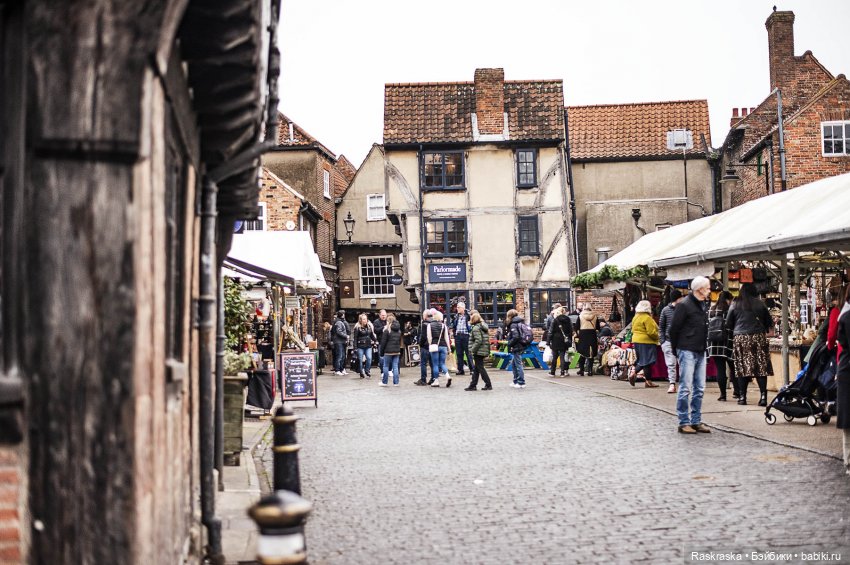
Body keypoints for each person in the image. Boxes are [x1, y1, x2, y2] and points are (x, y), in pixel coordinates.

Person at [669, 277, 711, 434]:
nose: (709, 290)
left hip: (700, 349)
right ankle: (684, 421)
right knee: (686, 387)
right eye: (707, 288)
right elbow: (674, 329)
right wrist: (676, 349)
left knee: (700, 387)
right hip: (686, 349)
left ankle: (696, 420)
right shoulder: (685, 305)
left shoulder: (702, 305)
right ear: (699, 289)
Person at [726, 282, 773, 407]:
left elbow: (728, 323)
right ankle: (763, 397)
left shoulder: (735, 304)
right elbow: (769, 322)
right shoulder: (760, 303)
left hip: (741, 338)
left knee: (742, 368)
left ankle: (742, 397)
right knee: (760, 368)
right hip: (758, 337)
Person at [708, 291, 737, 401]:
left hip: (714, 343)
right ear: (728, 299)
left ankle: (723, 395)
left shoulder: (711, 309)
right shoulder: (729, 309)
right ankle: (737, 392)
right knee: (733, 367)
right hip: (728, 341)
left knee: (720, 369)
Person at [834, 285, 850, 476]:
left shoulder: (844, 316)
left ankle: (848, 460)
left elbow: (840, 341)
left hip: (846, 368)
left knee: (847, 420)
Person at [630, 300, 659, 388]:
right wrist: (657, 337)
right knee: (647, 361)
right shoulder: (647, 318)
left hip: (636, 340)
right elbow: (651, 332)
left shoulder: (636, 317)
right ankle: (634, 373)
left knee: (643, 360)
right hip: (646, 342)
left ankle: (648, 381)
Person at [659, 289, 683, 394]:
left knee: (682, 364)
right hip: (669, 341)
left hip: (682, 342)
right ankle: (672, 384)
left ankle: (682, 385)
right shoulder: (665, 310)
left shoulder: (684, 309)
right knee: (671, 364)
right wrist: (663, 341)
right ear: (678, 298)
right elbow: (661, 327)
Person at [465, 310, 493, 391]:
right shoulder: (481, 326)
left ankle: (488, 384)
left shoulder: (475, 328)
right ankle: (473, 385)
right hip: (482, 350)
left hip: (478, 351)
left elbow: (478, 340)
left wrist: (472, 349)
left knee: (480, 368)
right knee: (476, 369)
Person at [427, 310, 451, 387]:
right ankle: (447, 376)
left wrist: (431, 344)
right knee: (442, 363)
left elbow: (429, 337)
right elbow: (447, 338)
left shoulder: (430, 325)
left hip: (434, 346)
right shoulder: (444, 326)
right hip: (443, 346)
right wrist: (449, 348)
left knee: (435, 364)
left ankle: (436, 381)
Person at [504, 308, 527, 388]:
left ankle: (521, 382)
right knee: (514, 364)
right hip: (520, 345)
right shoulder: (520, 322)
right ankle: (516, 380)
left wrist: (509, 343)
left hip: (517, 346)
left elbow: (516, 336)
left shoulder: (513, 324)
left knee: (518, 364)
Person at [548, 307, 573, 377]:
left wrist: (548, 341)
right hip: (564, 339)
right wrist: (569, 341)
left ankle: (552, 372)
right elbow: (571, 331)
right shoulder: (568, 319)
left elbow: (550, 331)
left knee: (555, 356)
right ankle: (562, 372)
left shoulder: (555, 320)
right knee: (562, 356)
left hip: (555, 339)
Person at [450, 302, 474, 376]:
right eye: (457, 307)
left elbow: (472, 324)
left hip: (466, 336)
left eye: (458, 307)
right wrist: (454, 334)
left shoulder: (468, 315)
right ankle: (460, 370)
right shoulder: (456, 316)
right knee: (459, 353)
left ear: (463, 308)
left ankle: (472, 369)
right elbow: (453, 325)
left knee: (468, 353)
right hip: (458, 336)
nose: (457, 308)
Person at [379, 314, 402, 386]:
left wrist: (381, 352)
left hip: (388, 351)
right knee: (395, 366)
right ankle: (396, 382)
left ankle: (384, 382)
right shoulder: (399, 331)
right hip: (396, 351)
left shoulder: (387, 331)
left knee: (386, 366)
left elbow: (383, 343)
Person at [352, 313, 377, 379]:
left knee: (369, 358)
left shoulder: (369, 326)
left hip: (368, 345)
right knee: (360, 360)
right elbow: (355, 338)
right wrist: (355, 348)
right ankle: (361, 372)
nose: (365, 320)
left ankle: (367, 370)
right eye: (363, 319)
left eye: (366, 319)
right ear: (360, 320)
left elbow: (371, 335)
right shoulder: (357, 328)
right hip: (360, 346)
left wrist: (375, 340)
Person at [576, 305, 598, 376]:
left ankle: (581, 370)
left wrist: (578, 334)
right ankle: (590, 371)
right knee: (591, 353)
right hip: (592, 334)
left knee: (581, 352)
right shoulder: (595, 316)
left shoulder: (580, 316)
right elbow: (598, 327)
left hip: (583, 334)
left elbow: (576, 326)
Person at [414, 310, 433, 386]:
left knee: (423, 363)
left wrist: (420, 344)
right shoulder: (435, 323)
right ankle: (433, 379)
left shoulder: (424, 324)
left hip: (425, 346)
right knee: (432, 364)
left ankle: (423, 379)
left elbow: (423, 336)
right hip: (432, 346)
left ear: (425, 316)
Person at [330, 310, 349, 376]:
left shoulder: (338, 321)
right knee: (340, 356)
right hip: (339, 341)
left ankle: (340, 369)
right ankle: (337, 370)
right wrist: (346, 336)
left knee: (342, 356)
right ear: (342, 315)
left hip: (340, 341)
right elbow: (338, 331)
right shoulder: (339, 322)